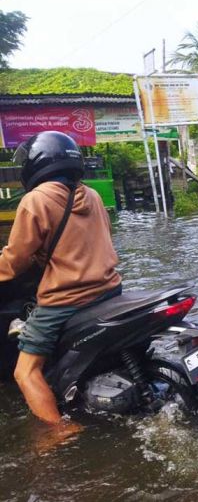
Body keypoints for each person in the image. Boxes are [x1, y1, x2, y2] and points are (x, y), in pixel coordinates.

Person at [0, 131, 122, 432]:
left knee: (25, 372)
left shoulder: (35, 200)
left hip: (66, 301)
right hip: (110, 291)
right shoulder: (92, 195)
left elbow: (15, 260)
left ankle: (60, 433)